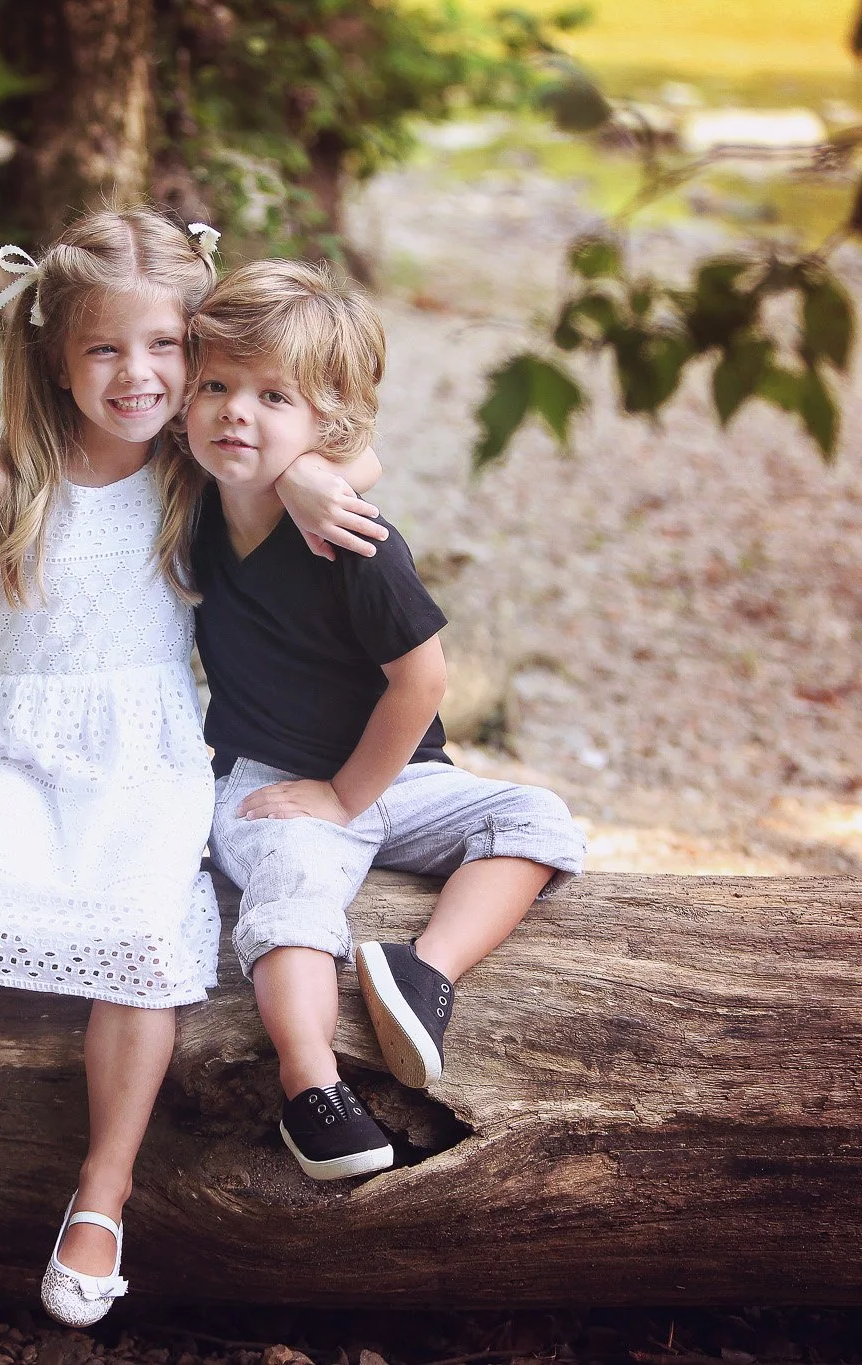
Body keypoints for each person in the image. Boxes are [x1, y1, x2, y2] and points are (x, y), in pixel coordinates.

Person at [0, 209, 381, 1327]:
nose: (138, 374)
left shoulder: (196, 473)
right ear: (53, 355)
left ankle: (103, 1190)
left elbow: (341, 443)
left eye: (165, 345)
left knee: (143, 950)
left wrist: (318, 476)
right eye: (104, 348)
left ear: (197, 352)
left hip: (144, 759)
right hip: (8, 749)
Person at [184, 258, 586, 1181]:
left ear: (325, 425)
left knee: (537, 817)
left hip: (396, 774)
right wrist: (300, 469)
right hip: (268, 780)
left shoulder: (353, 541)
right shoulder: (191, 500)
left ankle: (424, 969)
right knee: (290, 891)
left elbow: (423, 678)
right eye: (216, 386)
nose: (235, 411)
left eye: (272, 395)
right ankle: (312, 1084)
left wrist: (345, 794)